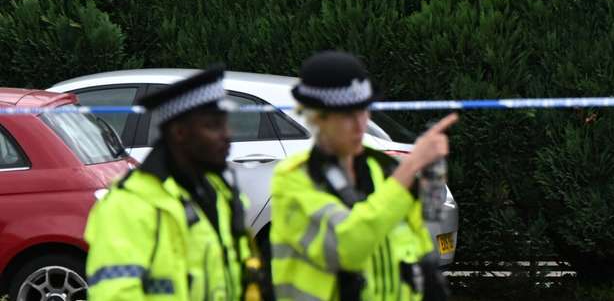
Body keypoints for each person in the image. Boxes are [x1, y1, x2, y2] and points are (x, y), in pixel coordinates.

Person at [269, 51, 456, 301]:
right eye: (347, 115)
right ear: (317, 117)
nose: (360, 124)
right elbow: (348, 248)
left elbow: (419, 252)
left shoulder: (382, 169)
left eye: (363, 111)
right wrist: (409, 169)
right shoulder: (295, 178)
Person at [85, 68, 261, 301]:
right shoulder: (129, 205)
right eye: (213, 126)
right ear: (179, 133)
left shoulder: (219, 192)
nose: (227, 135)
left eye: (225, 124)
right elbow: (114, 295)